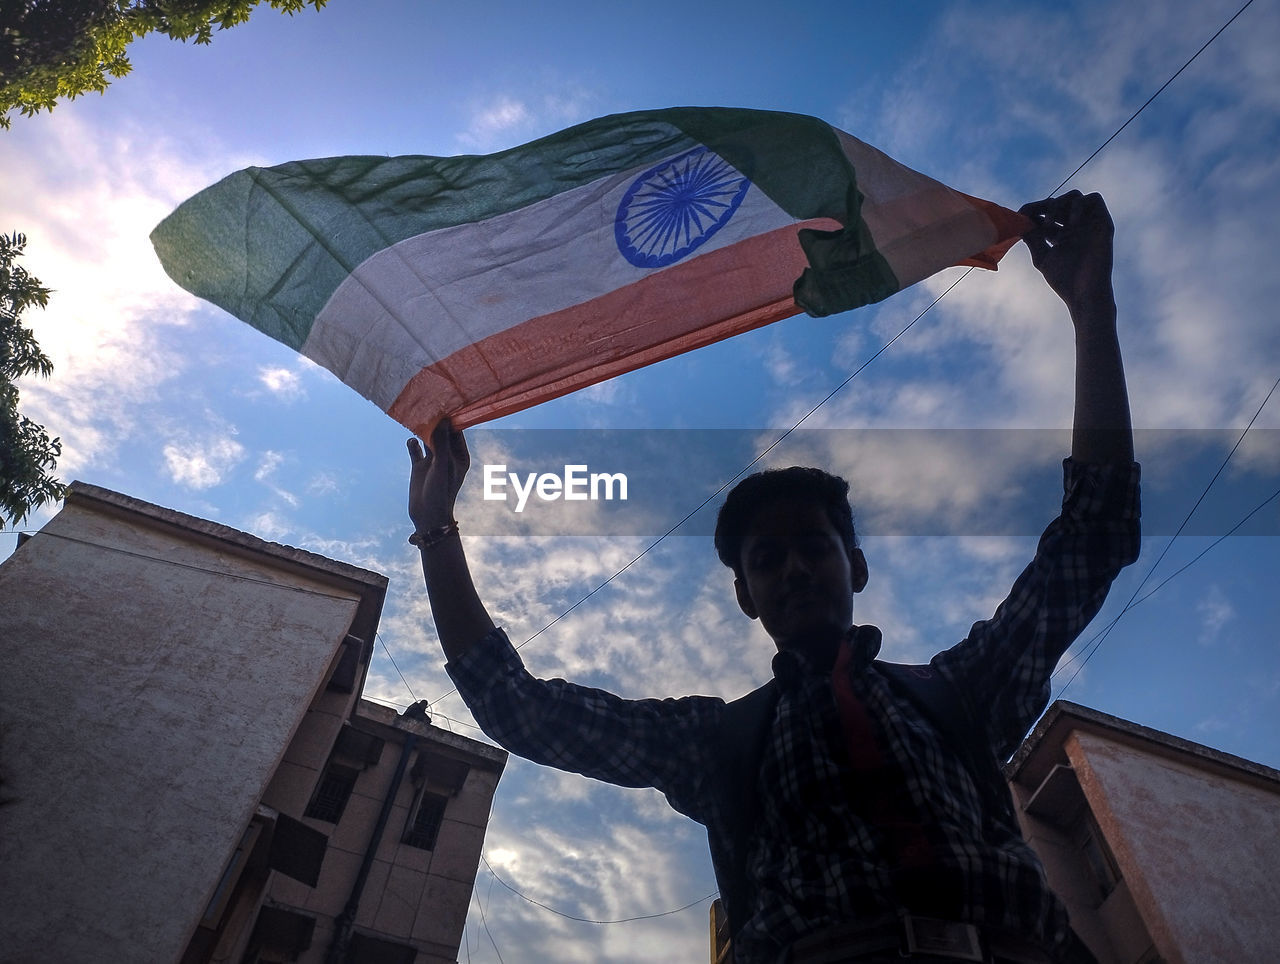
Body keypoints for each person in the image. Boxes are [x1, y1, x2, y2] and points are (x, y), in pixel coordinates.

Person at [405, 191, 1140, 963]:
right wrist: (435, 530)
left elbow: (1089, 540)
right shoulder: (714, 743)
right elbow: (516, 706)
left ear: (854, 564)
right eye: (766, 559)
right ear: (743, 596)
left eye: (813, 547)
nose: (793, 568)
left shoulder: (962, 693)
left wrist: (1093, 310)